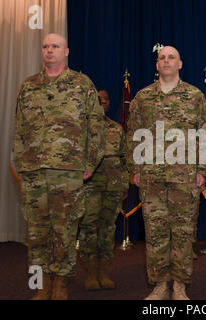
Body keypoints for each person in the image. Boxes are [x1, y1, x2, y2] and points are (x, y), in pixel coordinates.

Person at [14, 33, 105, 300]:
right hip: (33, 171)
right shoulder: (28, 86)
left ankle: (62, 284)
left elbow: (96, 126)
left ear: (66, 51)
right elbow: (19, 128)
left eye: (55, 46)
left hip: (69, 172)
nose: (49, 50)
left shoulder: (81, 84)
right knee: (37, 230)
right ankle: (43, 284)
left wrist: (91, 162)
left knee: (65, 230)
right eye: (45, 46)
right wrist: (20, 163)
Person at [126, 46, 206, 300]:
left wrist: (203, 171)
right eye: (161, 58)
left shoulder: (194, 96)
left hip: (184, 178)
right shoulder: (142, 97)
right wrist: (135, 169)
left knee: (184, 233)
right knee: (155, 233)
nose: (165, 61)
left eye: (171, 57)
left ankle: (180, 285)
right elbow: (132, 135)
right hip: (151, 178)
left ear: (180, 64)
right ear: (156, 65)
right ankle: (160, 284)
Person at [78, 88, 129, 291]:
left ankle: (103, 269)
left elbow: (125, 158)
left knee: (108, 227)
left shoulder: (116, 129)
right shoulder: (83, 129)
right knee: (89, 226)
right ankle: (90, 271)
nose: (103, 102)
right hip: (89, 185)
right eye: (99, 99)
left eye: (106, 99)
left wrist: (124, 183)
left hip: (113, 185)